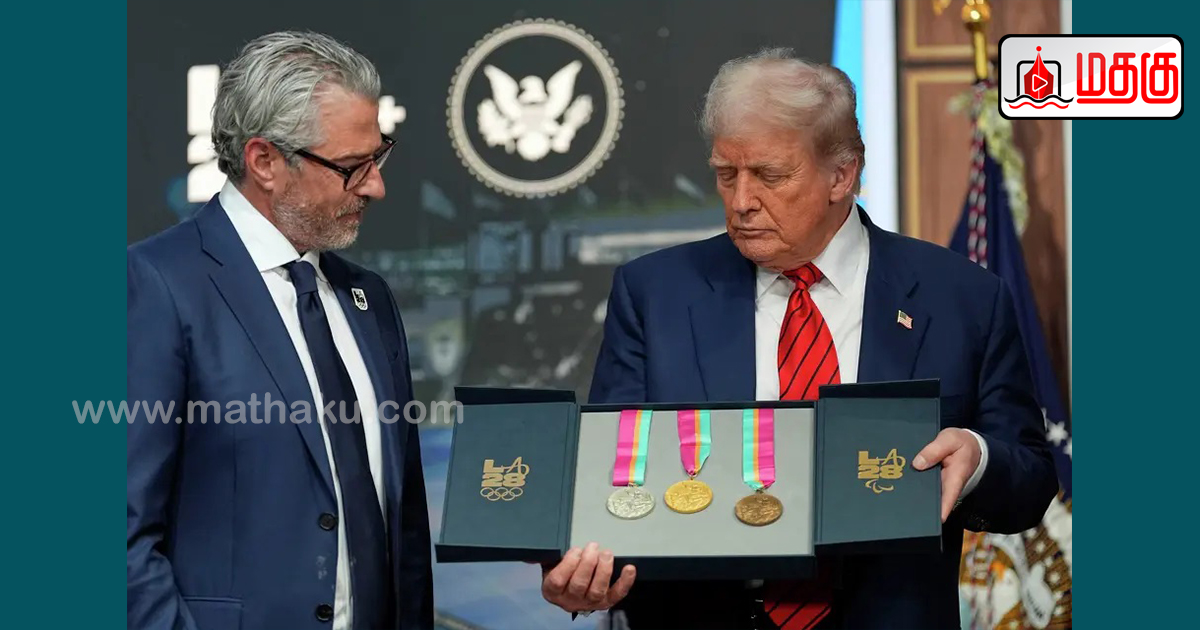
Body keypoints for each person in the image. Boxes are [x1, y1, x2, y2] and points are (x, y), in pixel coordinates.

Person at [540, 48, 1058, 629]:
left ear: (842, 175)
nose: (741, 201)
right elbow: (608, 478)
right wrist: (581, 570)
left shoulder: (962, 297)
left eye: (769, 175)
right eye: (726, 173)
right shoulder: (654, 293)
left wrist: (978, 458)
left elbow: (1031, 480)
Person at [127, 31, 433, 630]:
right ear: (264, 161)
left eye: (379, 157)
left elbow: (405, 528)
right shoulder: (155, 285)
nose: (376, 185)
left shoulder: (369, 298)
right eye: (352, 166)